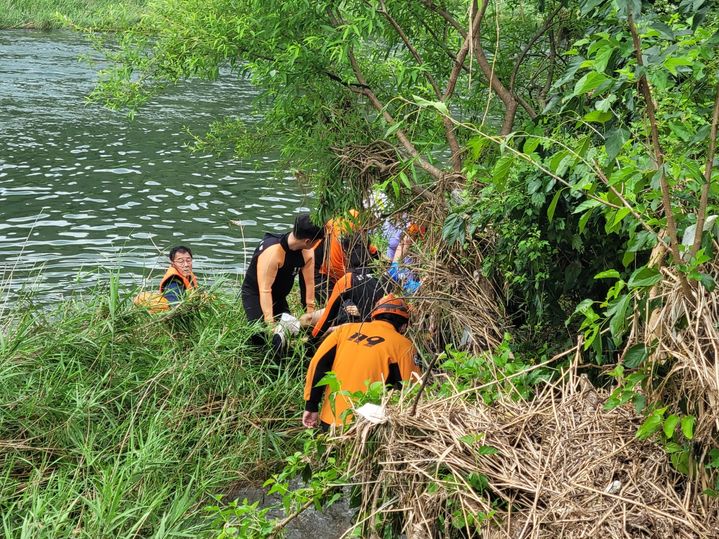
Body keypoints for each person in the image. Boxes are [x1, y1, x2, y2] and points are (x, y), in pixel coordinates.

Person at [302, 294, 421, 429]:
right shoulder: (403, 346)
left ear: (373, 316)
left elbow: (318, 363)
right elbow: (412, 389)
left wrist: (311, 405)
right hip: (368, 427)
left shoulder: (344, 330)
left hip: (331, 419)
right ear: (404, 326)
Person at [241, 213, 324, 347]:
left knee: (291, 332)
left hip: (279, 297)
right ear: (308, 241)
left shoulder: (307, 253)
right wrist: (270, 324)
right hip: (255, 293)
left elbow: (308, 284)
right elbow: (265, 290)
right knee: (260, 336)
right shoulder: (273, 252)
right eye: (317, 241)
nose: (318, 244)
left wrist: (310, 314)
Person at [307, 242, 390, 338]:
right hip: (376, 326)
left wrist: (311, 341)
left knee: (315, 322)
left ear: (347, 257)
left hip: (359, 327)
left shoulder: (348, 280)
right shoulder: (385, 277)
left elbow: (328, 316)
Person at [132, 245, 198, 312]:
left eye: (188, 260)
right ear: (173, 264)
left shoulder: (188, 275)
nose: (186, 265)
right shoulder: (173, 283)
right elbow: (175, 309)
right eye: (181, 261)